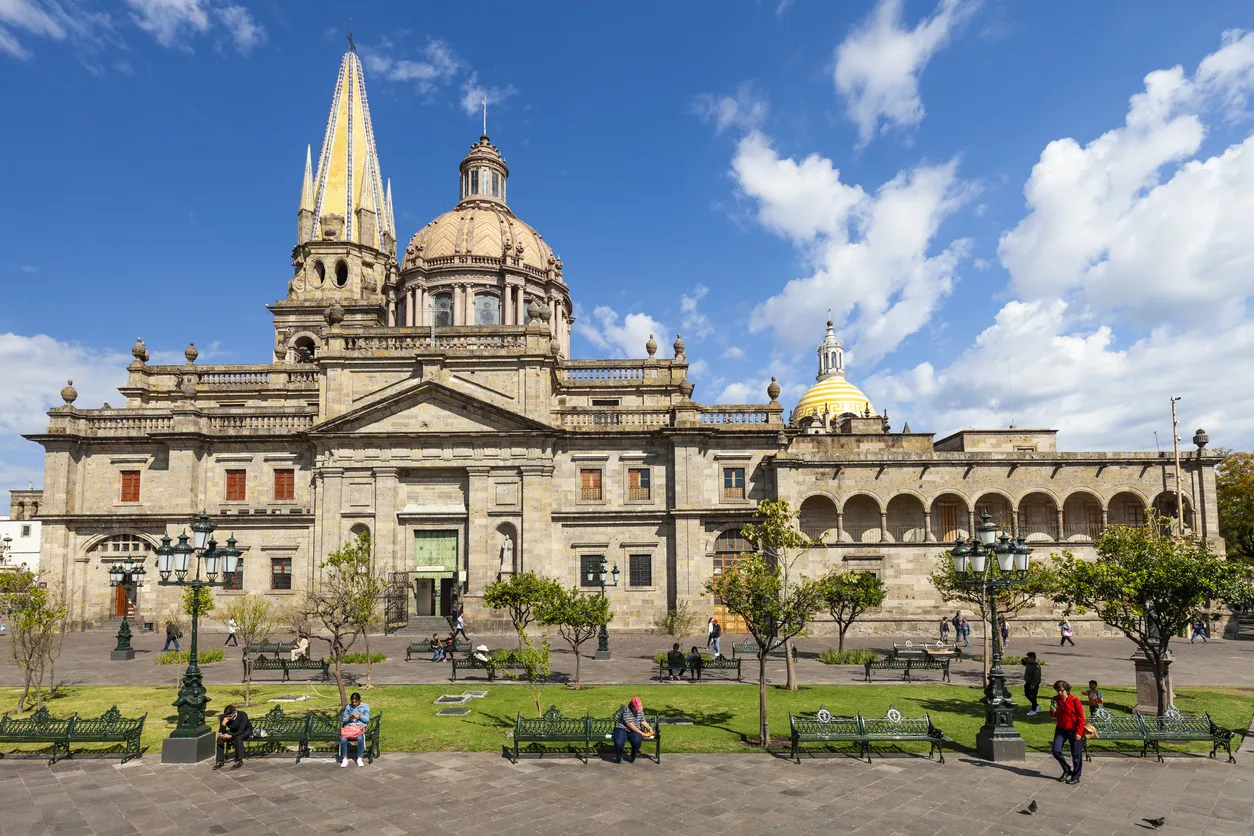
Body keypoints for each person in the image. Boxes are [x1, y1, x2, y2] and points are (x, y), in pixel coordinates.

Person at [1049, 680, 1085, 785]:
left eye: (1061, 690)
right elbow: (1052, 715)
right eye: (1057, 690)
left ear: (1067, 690)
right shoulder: (1055, 700)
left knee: (1076, 754)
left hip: (1073, 730)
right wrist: (1052, 710)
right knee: (1056, 750)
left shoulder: (1075, 700)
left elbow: (1080, 718)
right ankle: (1067, 769)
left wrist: (1079, 732)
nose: (1059, 693)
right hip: (1061, 729)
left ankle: (1076, 776)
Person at [612, 696, 655, 764]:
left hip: (635, 729)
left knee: (637, 742)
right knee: (618, 743)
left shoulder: (640, 709)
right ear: (632, 706)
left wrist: (649, 728)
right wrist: (642, 733)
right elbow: (630, 725)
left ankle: (633, 756)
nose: (638, 710)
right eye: (636, 708)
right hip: (623, 728)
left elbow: (642, 720)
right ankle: (619, 757)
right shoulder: (626, 710)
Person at [214, 705, 252, 770]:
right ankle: (220, 761)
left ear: (234, 713)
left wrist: (231, 736)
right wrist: (223, 725)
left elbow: (241, 730)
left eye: (230, 716)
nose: (228, 718)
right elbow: (222, 732)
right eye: (226, 716)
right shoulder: (223, 717)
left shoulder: (243, 715)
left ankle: (239, 760)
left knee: (238, 738)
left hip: (245, 731)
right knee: (220, 739)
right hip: (233, 731)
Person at [338, 692, 370, 767]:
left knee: (360, 738)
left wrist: (360, 716)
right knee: (343, 739)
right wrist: (349, 717)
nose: (354, 704)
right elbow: (344, 720)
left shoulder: (365, 706)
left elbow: (367, 719)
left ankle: (359, 757)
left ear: (360, 700)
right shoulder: (349, 707)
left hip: (359, 727)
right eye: (353, 702)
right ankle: (344, 758)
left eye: (356, 702)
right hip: (350, 728)